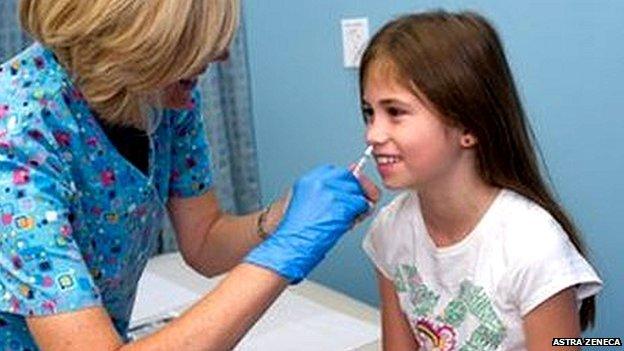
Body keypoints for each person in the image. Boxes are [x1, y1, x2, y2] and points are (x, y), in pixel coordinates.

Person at [0, 0, 379, 350]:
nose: (222, 55)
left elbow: (205, 242)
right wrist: (286, 253)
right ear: (131, 36)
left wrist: (283, 216)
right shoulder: (16, 134)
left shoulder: (163, 92)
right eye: (193, 42)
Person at [359, 10, 602, 350]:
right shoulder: (390, 230)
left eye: (395, 112)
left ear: (469, 128)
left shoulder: (533, 247)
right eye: (369, 112)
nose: (373, 133)